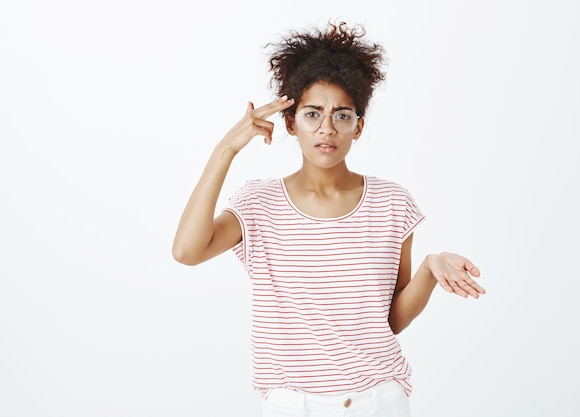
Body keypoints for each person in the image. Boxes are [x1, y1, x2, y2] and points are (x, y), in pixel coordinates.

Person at [172, 20, 485, 417]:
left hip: (379, 402)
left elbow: (387, 321)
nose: (326, 128)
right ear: (290, 122)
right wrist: (226, 149)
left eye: (341, 115)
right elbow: (186, 251)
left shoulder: (391, 204)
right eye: (312, 114)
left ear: (358, 126)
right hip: (291, 406)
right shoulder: (258, 204)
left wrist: (429, 269)